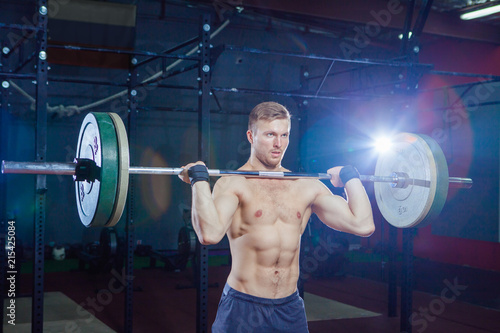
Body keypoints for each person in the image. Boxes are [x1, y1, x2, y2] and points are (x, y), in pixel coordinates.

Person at [179, 101, 374, 333]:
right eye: (270, 134)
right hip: (243, 306)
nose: (278, 144)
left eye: (284, 135)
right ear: (251, 136)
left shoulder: (304, 185)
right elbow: (209, 234)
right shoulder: (233, 183)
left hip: (289, 307)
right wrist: (198, 181)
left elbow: (362, 225)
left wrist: (350, 177)